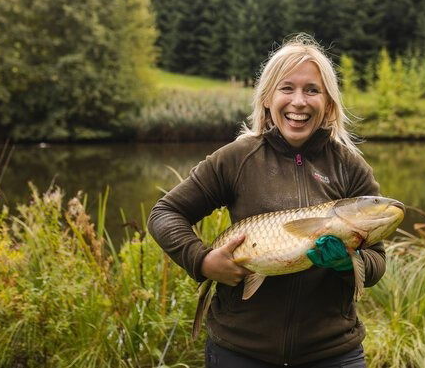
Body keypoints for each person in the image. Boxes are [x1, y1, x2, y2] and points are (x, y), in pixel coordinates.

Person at [147, 34, 385, 367]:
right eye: (287, 88)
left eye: (312, 90)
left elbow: (376, 261)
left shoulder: (349, 167)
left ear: (329, 102)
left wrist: (349, 265)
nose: (299, 102)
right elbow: (165, 213)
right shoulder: (237, 159)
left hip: (332, 353)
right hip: (241, 351)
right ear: (267, 99)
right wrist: (201, 261)